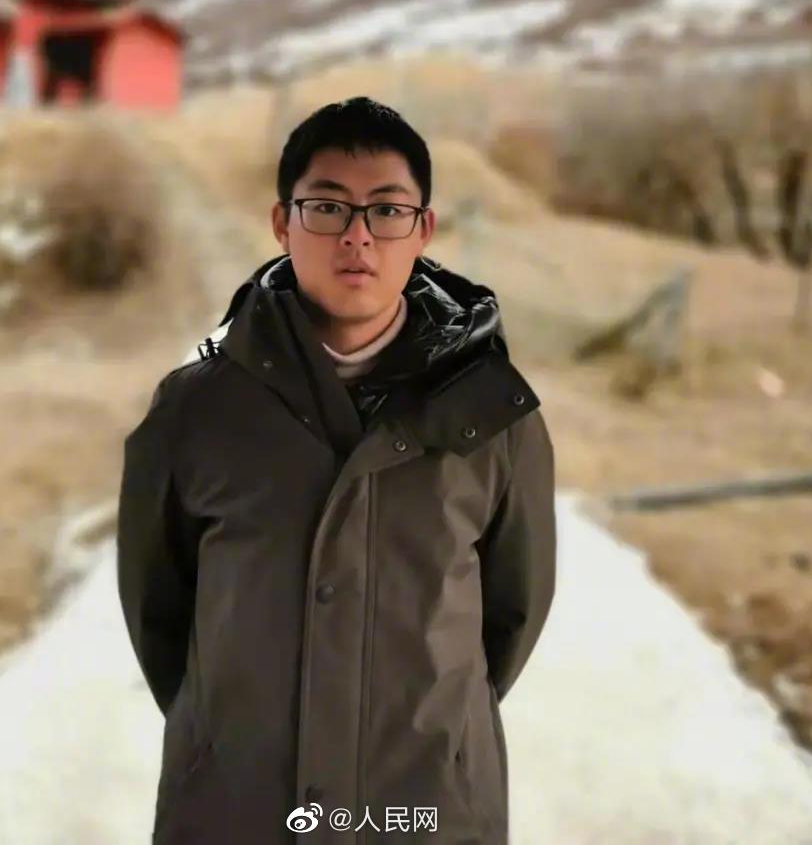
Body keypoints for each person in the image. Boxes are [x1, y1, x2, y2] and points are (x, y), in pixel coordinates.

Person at [116, 96, 557, 844]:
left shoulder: (494, 416)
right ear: (281, 223)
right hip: (234, 812)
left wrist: (436, 735)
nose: (358, 236)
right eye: (326, 207)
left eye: (387, 210)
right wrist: (222, 735)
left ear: (423, 230)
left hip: (426, 812)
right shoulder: (194, 408)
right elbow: (158, 613)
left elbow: (512, 617)